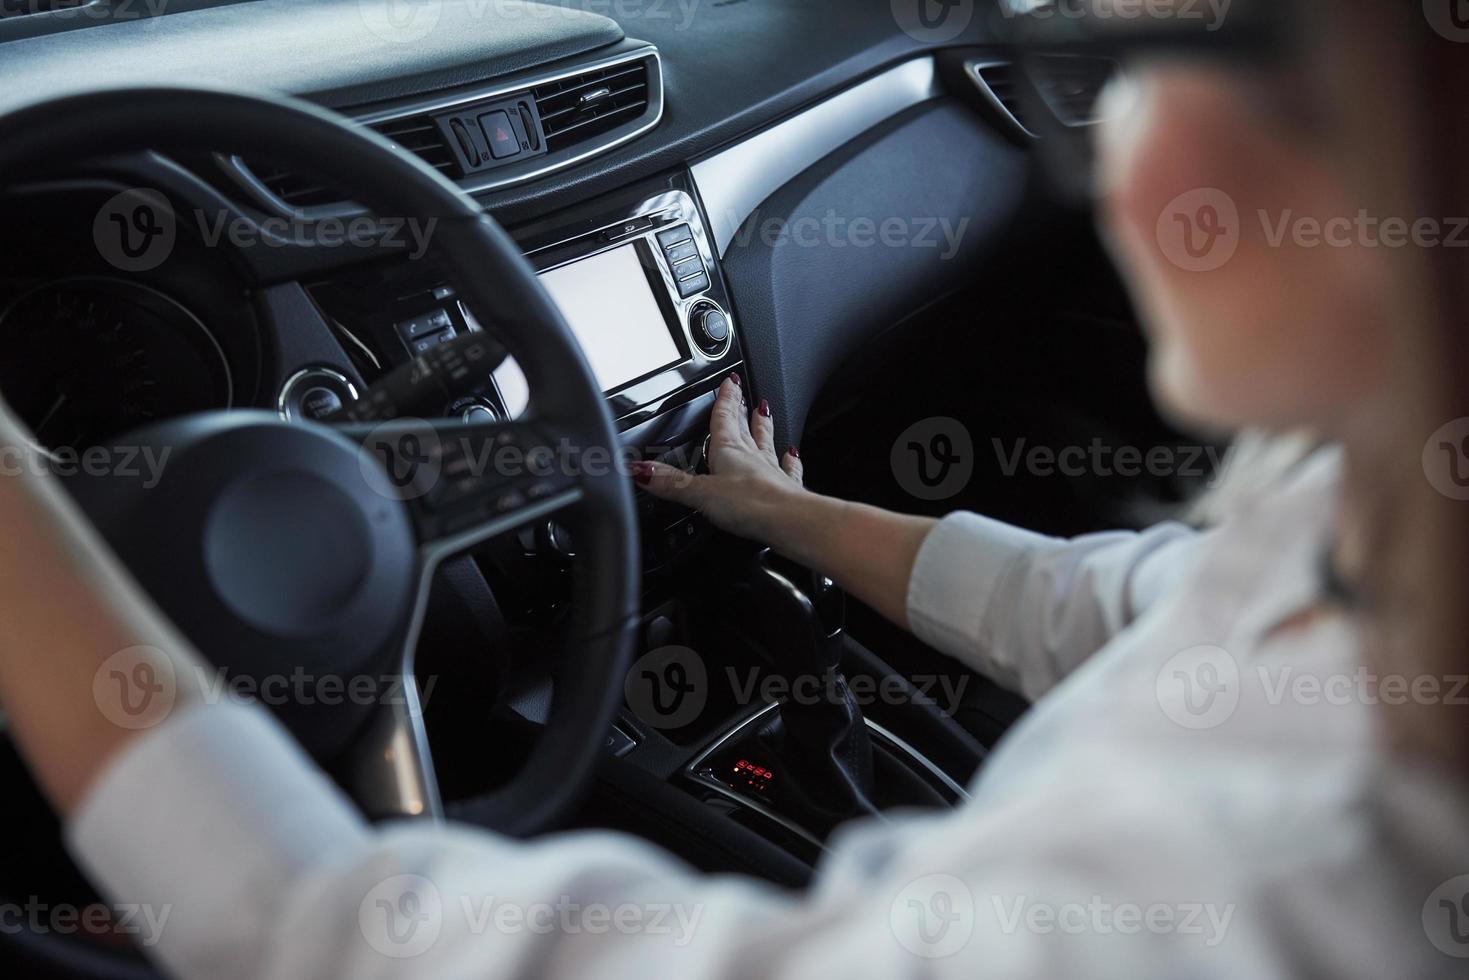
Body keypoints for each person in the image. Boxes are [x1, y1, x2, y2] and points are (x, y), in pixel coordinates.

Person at [1, 1, 1466, 977]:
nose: (1124, 162)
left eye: (1132, 63)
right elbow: (1117, 609)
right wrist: (775, 510)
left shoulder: (1286, 885)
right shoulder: (1361, 521)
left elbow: (309, 931)